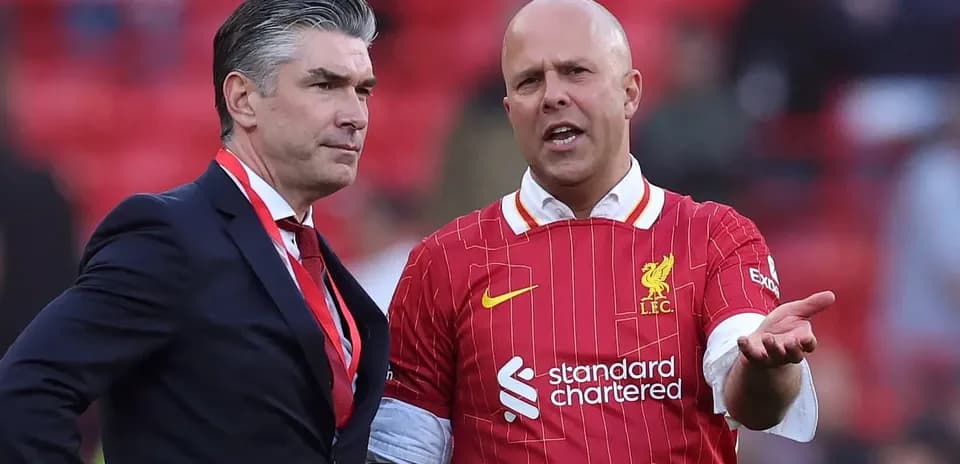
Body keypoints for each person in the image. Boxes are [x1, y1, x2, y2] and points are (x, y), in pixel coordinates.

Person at [367, 0, 831, 462]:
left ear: (630, 93)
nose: (552, 96)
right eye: (530, 81)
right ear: (511, 112)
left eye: (576, 72)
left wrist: (769, 367)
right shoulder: (444, 262)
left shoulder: (715, 237)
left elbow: (754, 397)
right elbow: (403, 451)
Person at [0, 1, 388, 463]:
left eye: (362, 91)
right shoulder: (168, 237)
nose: (355, 115)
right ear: (243, 99)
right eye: (325, 85)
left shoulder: (315, 262)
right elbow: (25, 394)